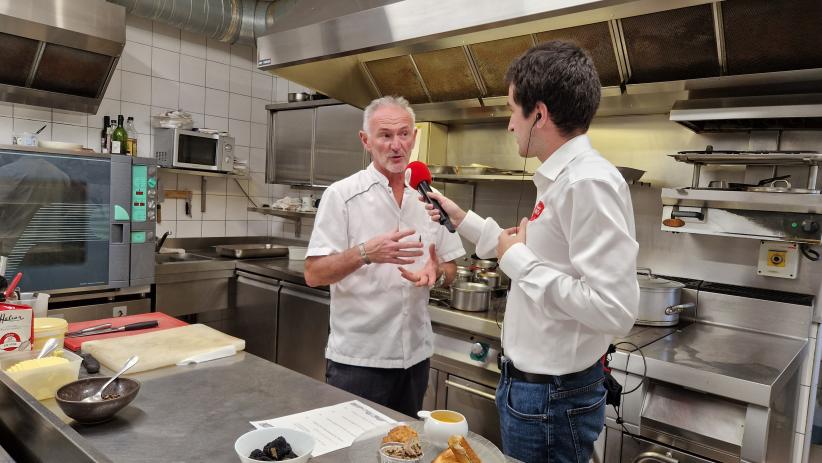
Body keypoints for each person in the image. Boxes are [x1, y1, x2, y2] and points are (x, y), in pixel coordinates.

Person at [422, 41, 639, 463]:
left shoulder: (587, 183)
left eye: (511, 109)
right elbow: (524, 251)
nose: (508, 124)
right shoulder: (560, 181)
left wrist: (519, 260)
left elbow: (615, 309)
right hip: (534, 392)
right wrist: (462, 218)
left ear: (538, 114)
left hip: (552, 400)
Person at [303, 95, 465, 417]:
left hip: (415, 361)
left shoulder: (429, 197)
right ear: (366, 140)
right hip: (359, 362)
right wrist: (366, 253)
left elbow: (451, 267)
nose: (396, 145)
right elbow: (314, 273)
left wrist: (437, 273)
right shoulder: (343, 196)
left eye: (404, 134)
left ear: (415, 137)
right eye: (385, 135)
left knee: (404, 449)